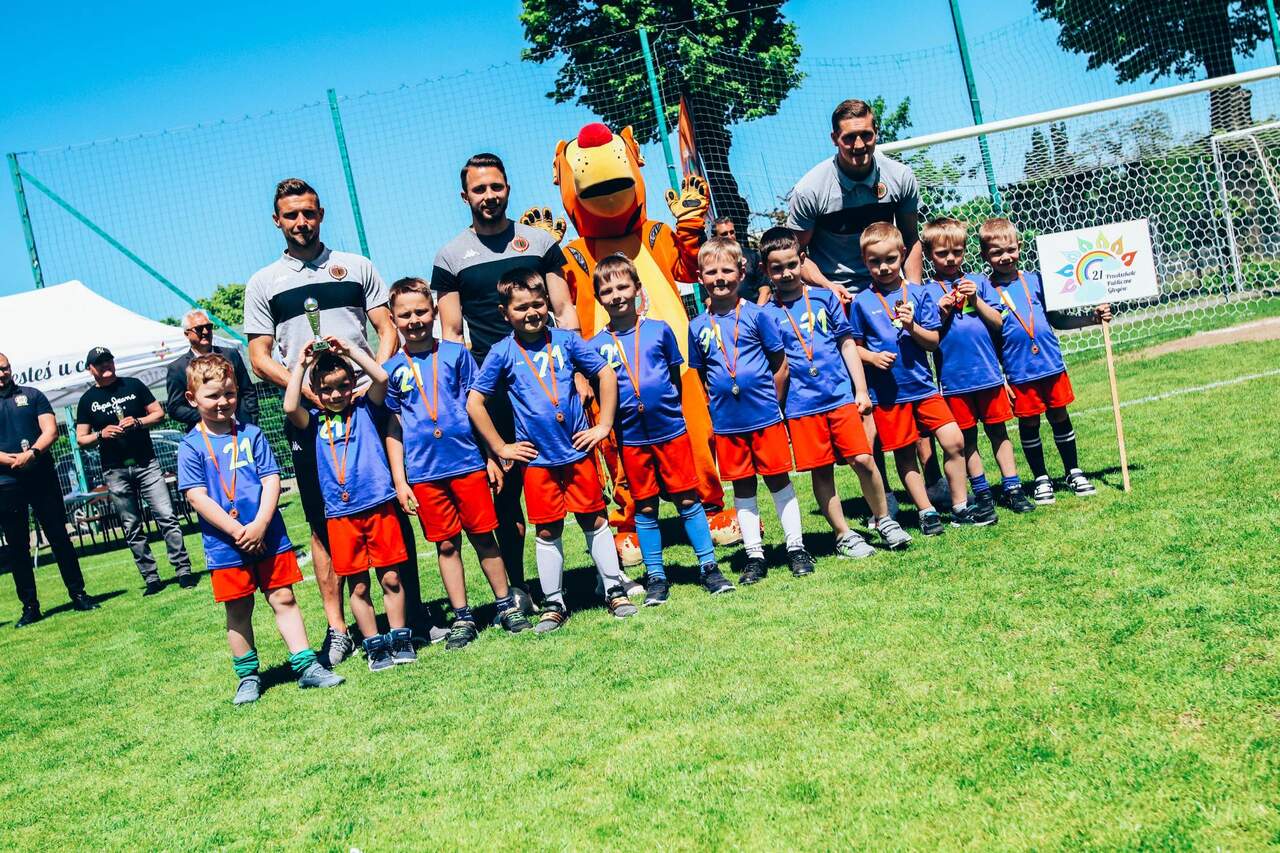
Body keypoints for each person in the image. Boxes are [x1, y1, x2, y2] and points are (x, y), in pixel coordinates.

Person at [243, 177, 416, 668]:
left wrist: (367, 374)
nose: (301, 222)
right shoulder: (263, 283)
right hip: (310, 415)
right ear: (277, 221)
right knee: (324, 525)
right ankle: (339, 629)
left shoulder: (356, 266)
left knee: (390, 508)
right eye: (291, 215)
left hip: (365, 404)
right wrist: (305, 390)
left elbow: (386, 329)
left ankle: (409, 618)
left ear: (321, 214)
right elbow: (259, 356)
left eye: (309, 213)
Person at [433, 153, 584, 599]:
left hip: (549, 386)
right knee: (506, 489)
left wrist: (578, 374)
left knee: (578, 477)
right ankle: (518, 587)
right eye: (479, 189)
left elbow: (564, 309)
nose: (489, 196)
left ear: (508, 189)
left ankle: (605, 575)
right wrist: (464, 397)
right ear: (465, 196)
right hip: (495, 392)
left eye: (496, 187)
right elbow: (452, 334)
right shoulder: (450, 256)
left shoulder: (539, 243)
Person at [467, 268, 637, 633]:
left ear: (547, 303)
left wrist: (603, 425)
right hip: (538, 461)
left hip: (577, 452)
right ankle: (554, 602)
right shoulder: (501, 352)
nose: (531, 313)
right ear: (504, 313)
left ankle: (613, 589)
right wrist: (501, 446)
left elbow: (606, 374)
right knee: (547, 530)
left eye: (538, 304)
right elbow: (474, 402)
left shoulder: (566, 340)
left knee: (594, 520)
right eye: (521, 307)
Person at [176, 353, 343, 704]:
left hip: (269, 536)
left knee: (284, 597)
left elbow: (271, 479)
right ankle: (248, 676)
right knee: (238, 609)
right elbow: (196, 496)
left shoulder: (252, 435)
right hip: (226, 545)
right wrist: (238, 531)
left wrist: (261, 523)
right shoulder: (190, 446)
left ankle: (306, 665)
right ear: (192, 398)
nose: (223, 402)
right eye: (213, 395)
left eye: (229, 393)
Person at [382, 277, 533, 649]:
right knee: (446, 546)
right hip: (425, 474)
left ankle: (505, 605)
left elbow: (475, 408)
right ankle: (463, 617)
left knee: (484, 537)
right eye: (405, 315)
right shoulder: (391, 369)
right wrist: (400, 481)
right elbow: (393, 427)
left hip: (467, 465)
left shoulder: (456, 354)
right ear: (393, 319)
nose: (414, 320)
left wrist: (491, 457)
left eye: (421, 312)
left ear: (434, 312)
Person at [587, 255, 735, 604]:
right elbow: (599, 391)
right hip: (631, 439)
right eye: (607, 290)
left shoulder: (659, 330)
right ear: (598, 298)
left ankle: (709, 568)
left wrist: (670, 415)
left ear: (638, 289)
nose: (617, 295)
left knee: (688, 498)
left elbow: (674, 379)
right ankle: (656, 577)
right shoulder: (595, 346)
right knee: (645, 507)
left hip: (670, 432)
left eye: (623, 286)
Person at [756, 228, 912, 553]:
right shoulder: (766, 314)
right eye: (777, 268)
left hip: (840, 397)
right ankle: (843, 535)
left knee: (863, 459)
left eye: (791, 264)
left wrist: (861, 390)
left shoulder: (825, 298)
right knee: (821, 470)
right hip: (801, 407)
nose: (786, 273)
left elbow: (847, 344)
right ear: (765, 270)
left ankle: (884, 519)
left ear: (802, 260)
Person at [688, 237, 813, 585]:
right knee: (742, 489)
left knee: (778, 480)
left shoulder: (759, 316)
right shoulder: (697, 326)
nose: (720, 278)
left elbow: (780, 365)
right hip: (728, 425)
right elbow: (700, 375)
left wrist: (774, 404)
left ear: (742, 272)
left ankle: (796, 548)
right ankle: (754, 555)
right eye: (711, 272)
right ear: (700, 278)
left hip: (765, 418)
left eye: (727, 270)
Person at [283, 340, 414, 672]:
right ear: (316, 391)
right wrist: (302, 365)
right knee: (358, 585)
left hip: (378, 505)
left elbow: (381, 378)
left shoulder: (366, 408)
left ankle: (400, 638)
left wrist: (349, 353)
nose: (337, 394)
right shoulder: (312, 421)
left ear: (353, 382)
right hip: (341, 515)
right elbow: (289, 406)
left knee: (391, 578)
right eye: (327, 389)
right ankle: (374, 645)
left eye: (343, 385)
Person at [849, 224, 987, 535]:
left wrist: (912, 327)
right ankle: (926, 512)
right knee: (905, 454)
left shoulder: (918, 292)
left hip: (923, 388)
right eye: (875, 261)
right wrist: (871, 357)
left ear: (902, 255)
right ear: (864, 261)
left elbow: (933, 341)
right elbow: (853, 346)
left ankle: (960, 505)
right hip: (889, 395)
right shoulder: (861, 302)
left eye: (890, 259)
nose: (884, 267)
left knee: (954, 441)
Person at [978, 217, 1109, 504]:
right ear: (984, 255)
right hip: (1018, 372)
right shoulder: (985, 290)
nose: (1005, 257)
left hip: (1050, 365)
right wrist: (999, 376)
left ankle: (1073, 471)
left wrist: (1092, 318)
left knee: (1060, 416)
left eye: (1010, 249)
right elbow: (988, 338)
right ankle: (1041, 478)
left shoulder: (1037, 280)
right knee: (1029, 424)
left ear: (1020, 247)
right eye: (997, 252)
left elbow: (1058, 319)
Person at [920, 218, 1035, 515]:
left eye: (957, 252)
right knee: (967, 439)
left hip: (988, 375)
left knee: (999, 432)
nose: (950, 259)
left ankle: (1013, 487)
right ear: (928, 254)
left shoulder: (980, 281)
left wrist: (976, 299)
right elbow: (929, 336)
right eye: (942, 253)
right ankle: (982, 492)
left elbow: (998, 322)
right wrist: (942, 311)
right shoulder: (926, 292)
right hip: (954, 381)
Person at [74, 346, 194, 593]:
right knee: (131, 526)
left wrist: (138, 422)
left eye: (108, 360)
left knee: (167, 516)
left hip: (146, 464)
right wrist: (101, 434)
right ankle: (151, 579)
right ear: (90, 369)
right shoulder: (87, 400)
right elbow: (81, 438)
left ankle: (183, 571)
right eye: (100, 363)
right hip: (115, 470)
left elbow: (159, 413)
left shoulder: (133, 385)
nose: (106, 366)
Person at [786, 98, 923, 302]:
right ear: (834, 138)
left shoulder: (900, 177)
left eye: (866, 135)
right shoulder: (809, 190)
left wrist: (914, 294)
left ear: (876, 133)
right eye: (849, 138)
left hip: (890, 291)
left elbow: (911, 239)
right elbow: (794, 255)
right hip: (836, 298)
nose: (859, 145)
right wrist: (829, 287)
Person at [0, 352, 98, 627]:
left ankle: (79, 594)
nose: (1, 374)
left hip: (41, 475)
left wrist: (31, 453)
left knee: (59, 537)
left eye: (4, 368)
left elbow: (50, 430)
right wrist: (10, 460)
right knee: (18, 547)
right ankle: (30, 607)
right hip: (6, 483)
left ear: (10, 368)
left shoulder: (32, 395)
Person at [165, 310, 258, 429]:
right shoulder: (178, 368)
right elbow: (175, 408)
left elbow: (247, 391)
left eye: (208, 327)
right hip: (204, 432)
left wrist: (251, 423)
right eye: (199, 329)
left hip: (240, 427)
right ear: (187, 334)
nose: (205, 332)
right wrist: (210, 414)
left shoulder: (231, 355)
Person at [712, 216, 770, 305]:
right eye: (724, 234)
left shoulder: (752, 256)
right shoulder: (710, 261)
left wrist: (756, 311)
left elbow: (765, 289)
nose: (730, 236)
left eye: (732, 232)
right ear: (715, 237)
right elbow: (708, 298)